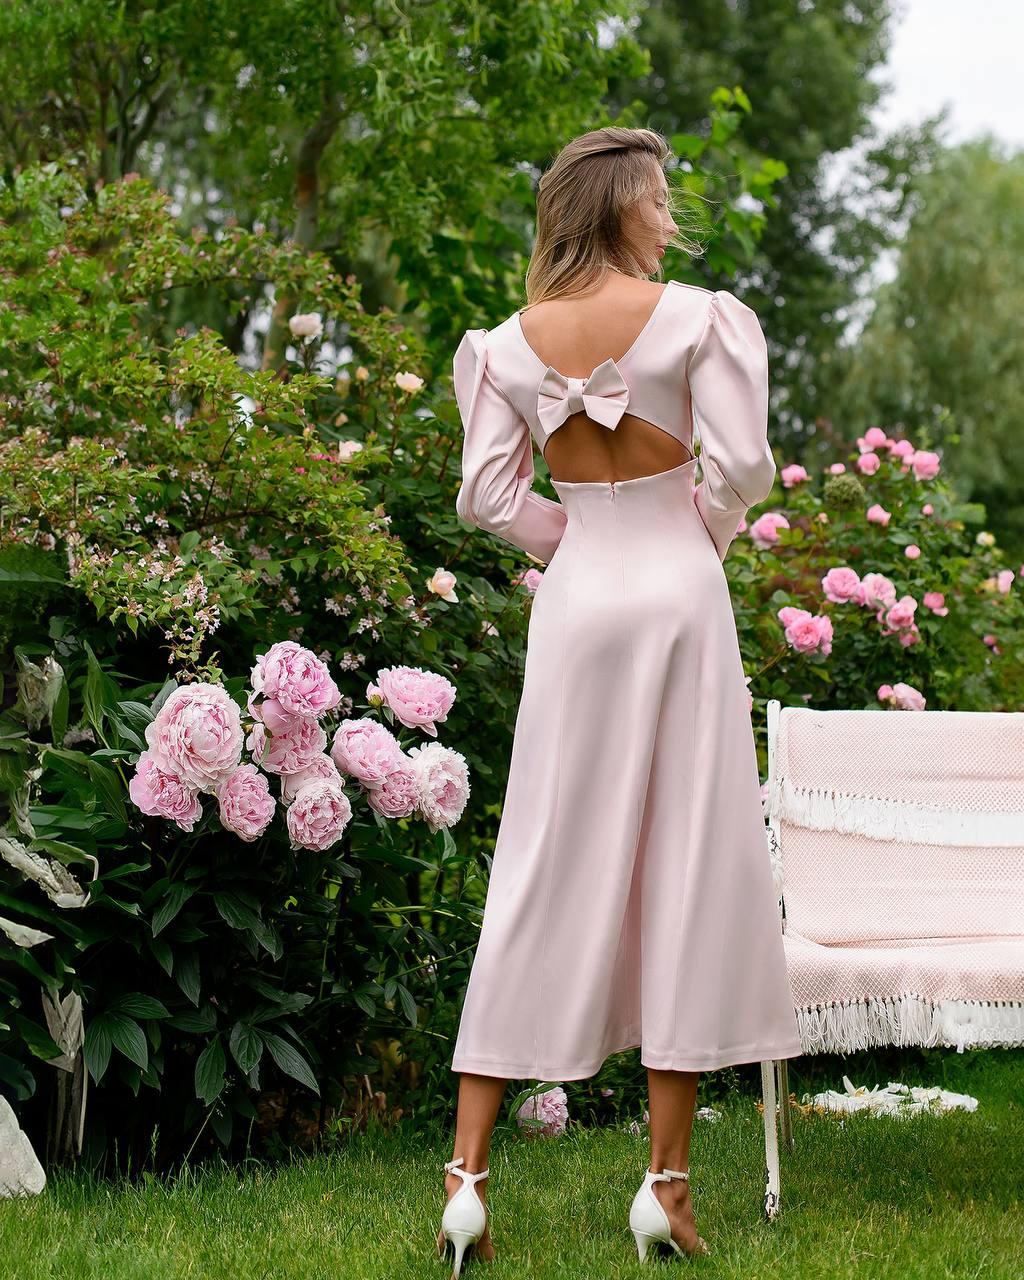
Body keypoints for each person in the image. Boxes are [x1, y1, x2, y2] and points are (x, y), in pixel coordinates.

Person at [436, 126, 802, 1275]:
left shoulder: (502, 345)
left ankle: (464, 1180)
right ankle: (666, 1185)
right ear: (618, 207)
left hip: (579, 600)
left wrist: (577, 537)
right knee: (690, 858)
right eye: (657, 198)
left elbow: (486, 495)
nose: (669, 215)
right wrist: (698, 528)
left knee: (542, 856)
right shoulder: (700, 318)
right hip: (678, 595)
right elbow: (742, 467)